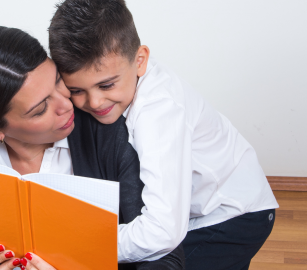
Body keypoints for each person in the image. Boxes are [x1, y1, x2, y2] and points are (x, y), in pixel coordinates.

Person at [0, 26, 185, 270]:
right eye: (39, 110)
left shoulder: (107, 131)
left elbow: (167, 258)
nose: (66, 104)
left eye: (58, 81)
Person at [48, 0, 279, 269]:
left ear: (140, 60)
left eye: (106, 84)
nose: (95, 102)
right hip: (196, 212)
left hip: (232, 216)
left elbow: (162, 232)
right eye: (77, 90)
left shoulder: (159, 114)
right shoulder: (127, 79)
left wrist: (77, 245)